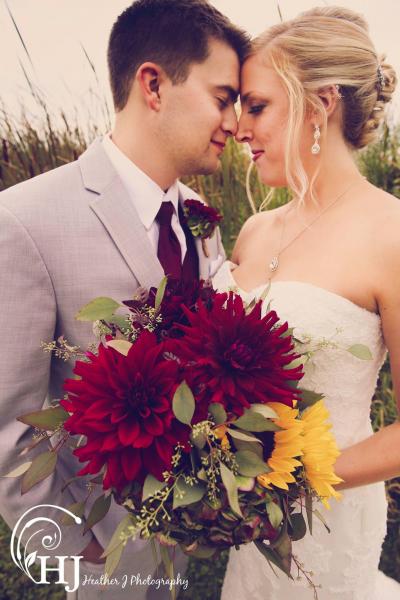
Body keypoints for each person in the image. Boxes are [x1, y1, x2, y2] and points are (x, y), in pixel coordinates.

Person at [0, 1, 249, 598]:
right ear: (154, 85)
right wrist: (70, 549)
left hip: (182, 540)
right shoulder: (25, 219)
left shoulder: (201, 222)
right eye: (223, 97)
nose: (236, 123)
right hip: (97, 555)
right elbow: (9, 423)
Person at [213, 6, 400, 599]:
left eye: (258, 105)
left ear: (321, 103)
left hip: (330, 519)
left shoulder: (390, 234)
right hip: (247, 532)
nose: (240, 127)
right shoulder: (255, 230)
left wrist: (289, 478)